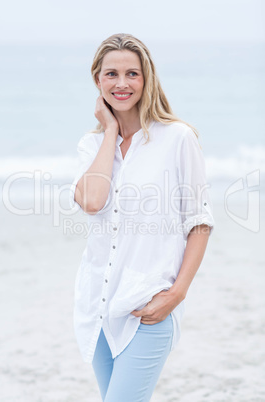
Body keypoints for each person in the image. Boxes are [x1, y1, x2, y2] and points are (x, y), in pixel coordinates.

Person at [69, 33, 215, 402]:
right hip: (98, 307)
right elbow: (92, 202)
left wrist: (177, 294)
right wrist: (111, 132)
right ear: (97, 80)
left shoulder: (178, 138)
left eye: (132, 74)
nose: (121, 83)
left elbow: (198, 222)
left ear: (146, 79)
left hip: (148, 307)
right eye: (111, 74)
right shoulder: (91, 145)